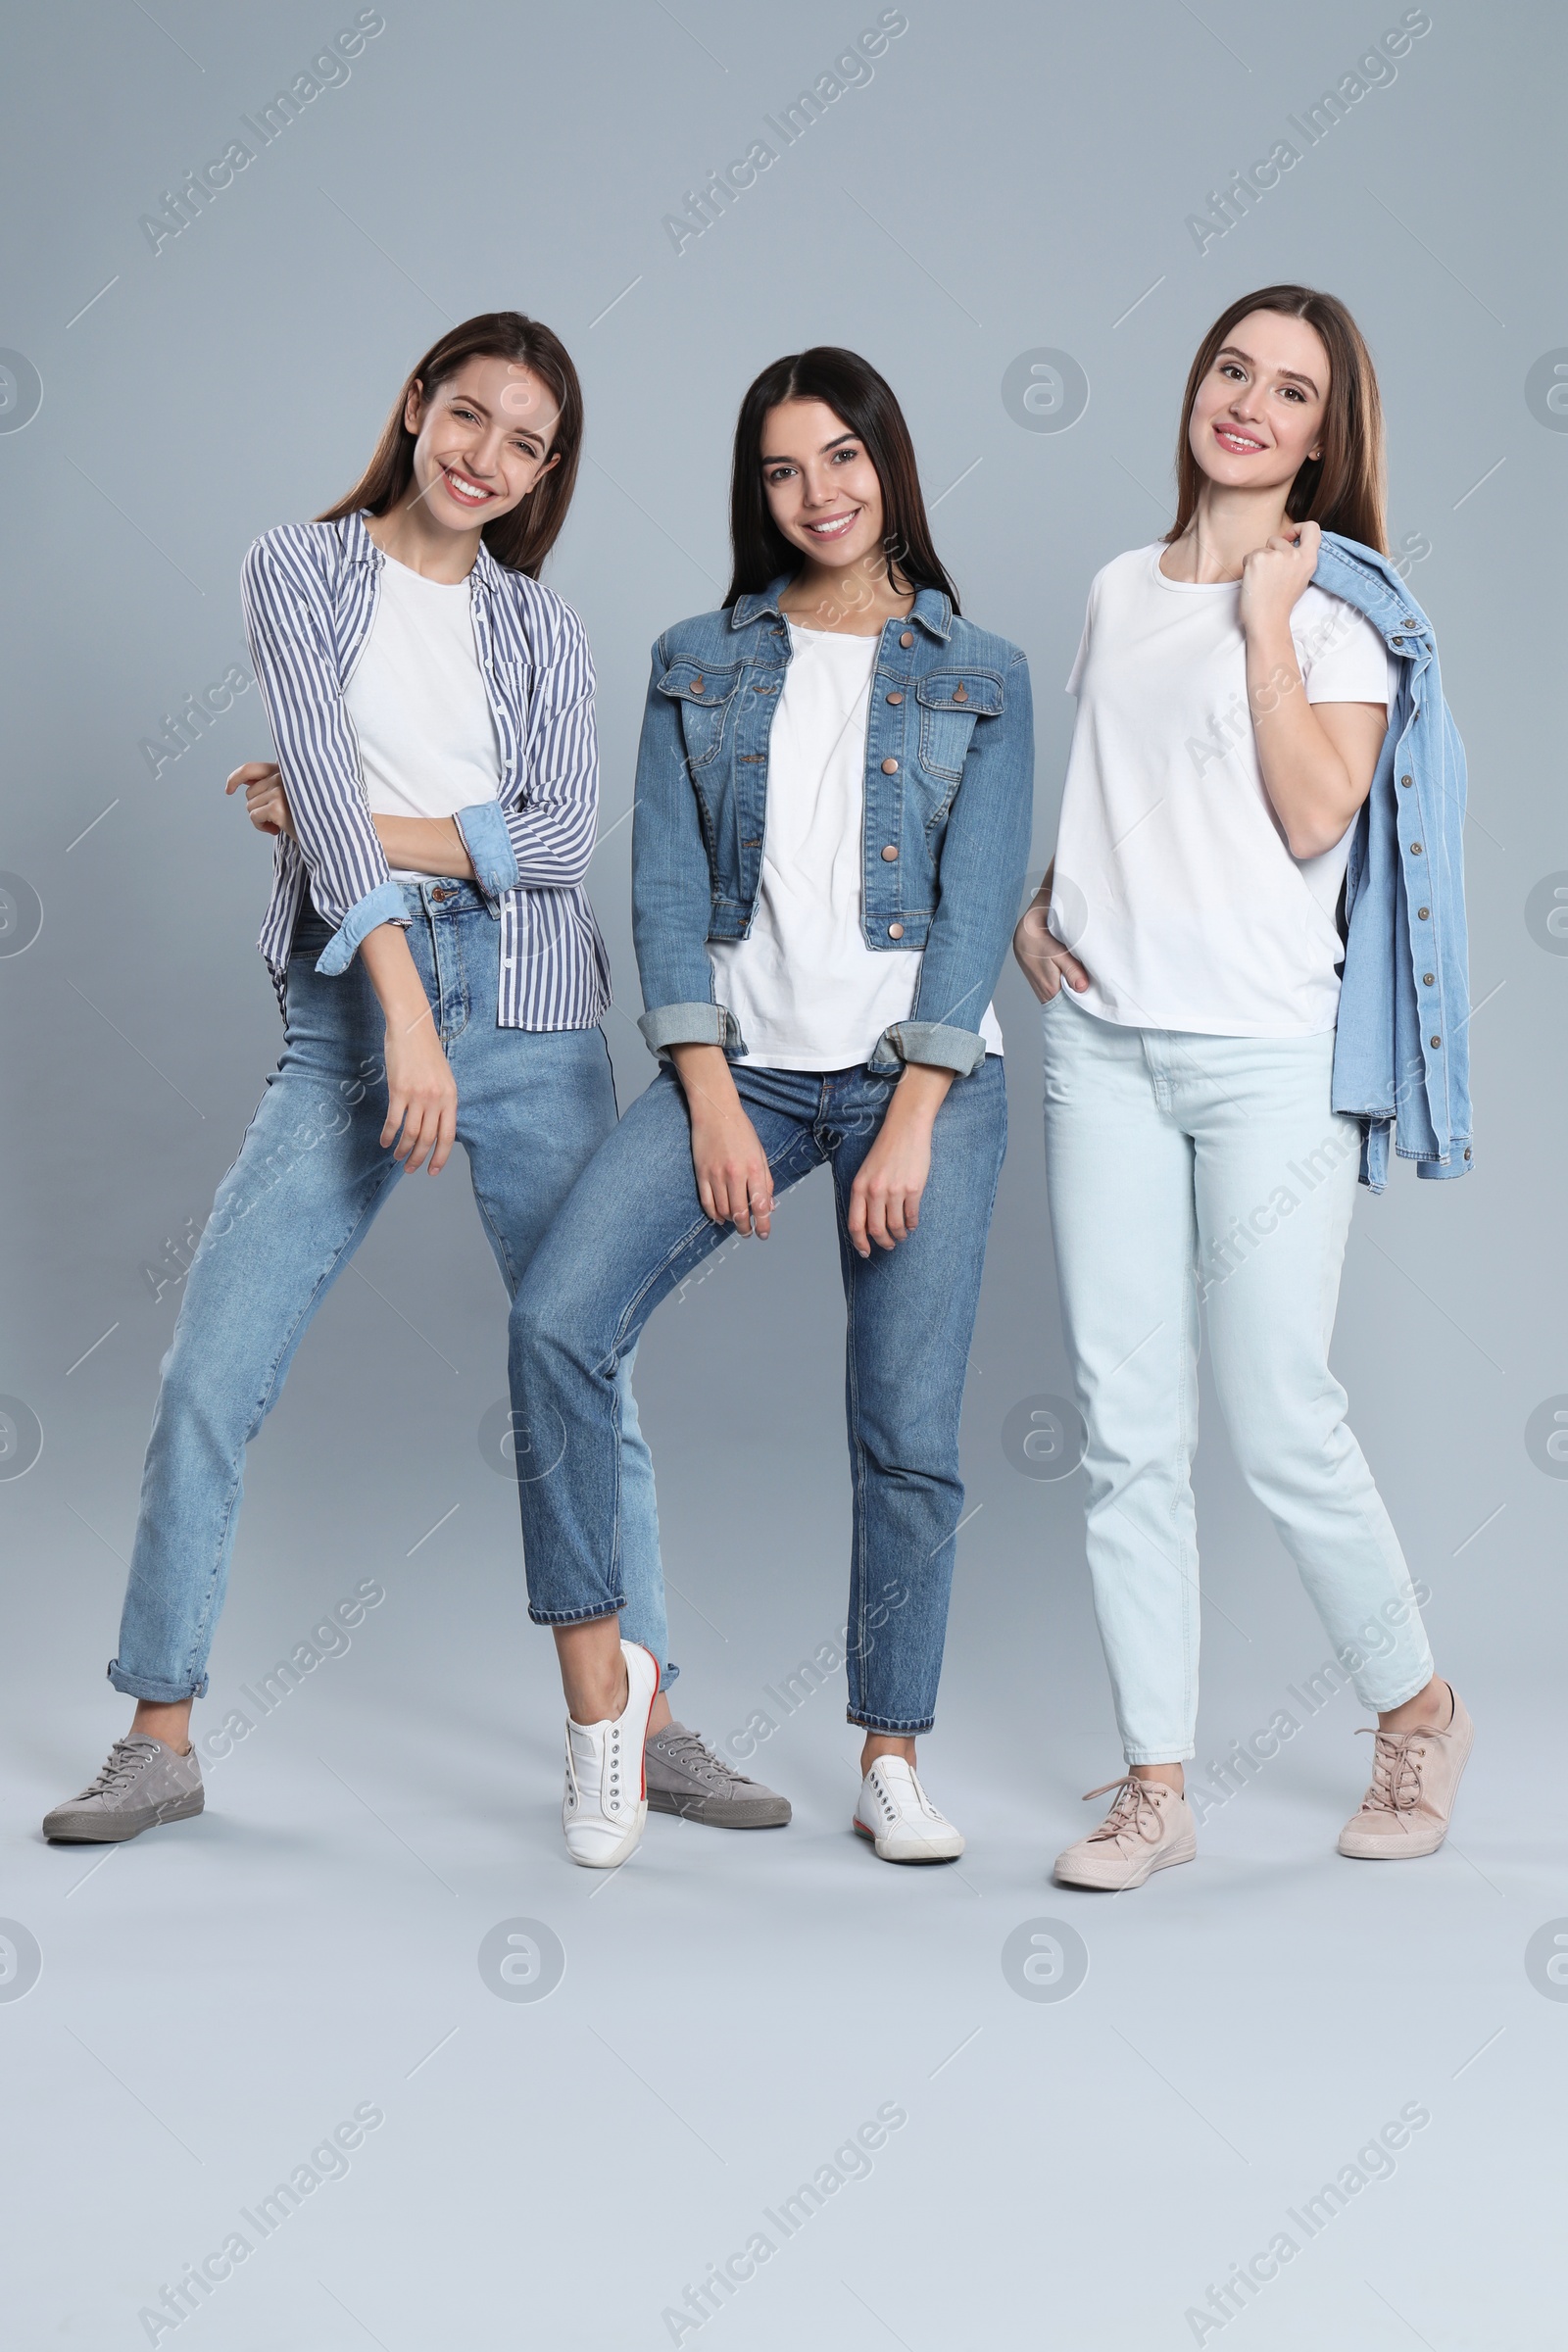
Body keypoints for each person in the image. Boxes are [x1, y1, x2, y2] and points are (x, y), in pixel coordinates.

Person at [44, 311, 786, 1844]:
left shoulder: (542, 628)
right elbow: (328, 766)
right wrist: (398, 980)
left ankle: (644, 1719)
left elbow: (558, 842)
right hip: (353, 1009)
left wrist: (343, 823)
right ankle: (161, 1733)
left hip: (528, 1009)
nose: (484, 458)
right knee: (208, 1372)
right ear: (414, 405)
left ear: (546, 471)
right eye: (467, 417)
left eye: (524, 443)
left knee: (589, 1367)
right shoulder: (295, 568)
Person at [509, 347, 1034, 1868]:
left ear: (892, 462)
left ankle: (891, 1753)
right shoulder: (698, 659)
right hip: (734, 1069)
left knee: (905, 1432)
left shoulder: (977, 672)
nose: (818, 494)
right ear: (758, 490)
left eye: (844, 459)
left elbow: (978, 896)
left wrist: (920, 1110)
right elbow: (662, 891)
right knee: (557, 1322)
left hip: (915, 1084)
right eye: (783, 469)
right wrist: (709, 1100)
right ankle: (609, 1702)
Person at [1013, 285, 1474, 1891]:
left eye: (1292, 392)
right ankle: (1156, 1786)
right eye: (1233, 371)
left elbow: (1301, 822)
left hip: (1269, 1060)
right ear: (1197, 388)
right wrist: (1040, 899)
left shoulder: (1346, 614)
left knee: (1280, 1415)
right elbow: (1125, 797)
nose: (1251, 407)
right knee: (1129, 1437)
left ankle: (1416, 1708)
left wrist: (1266, 625)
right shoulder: (1116, 588)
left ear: (1326, 436)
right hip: (1104, 1051)